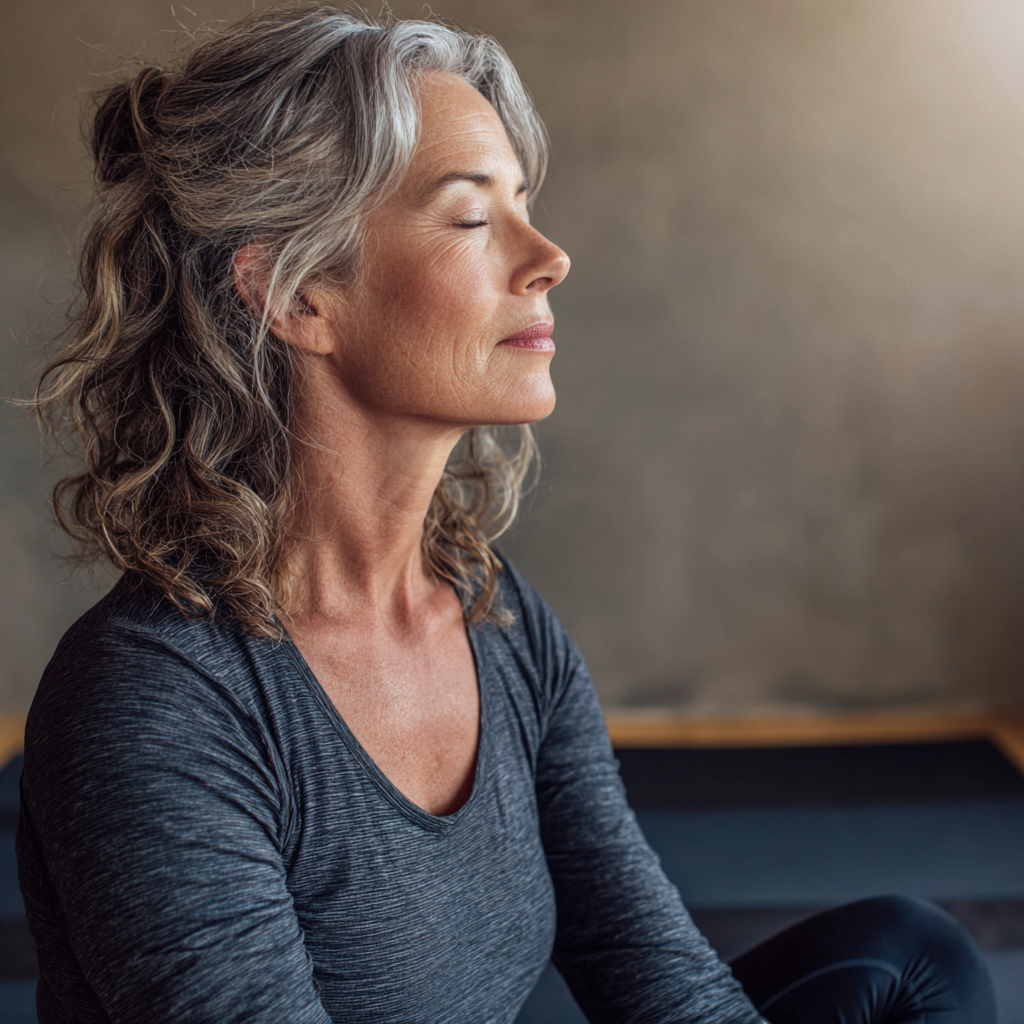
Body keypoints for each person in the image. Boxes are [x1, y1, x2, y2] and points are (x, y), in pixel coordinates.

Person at [17, 6, 996, 1023]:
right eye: (474, 217)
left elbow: (651, 968)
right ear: (300, 293)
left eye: (523, 203)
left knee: (904, 955)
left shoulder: (497, 618)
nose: (548, 256)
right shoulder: (156, 703)